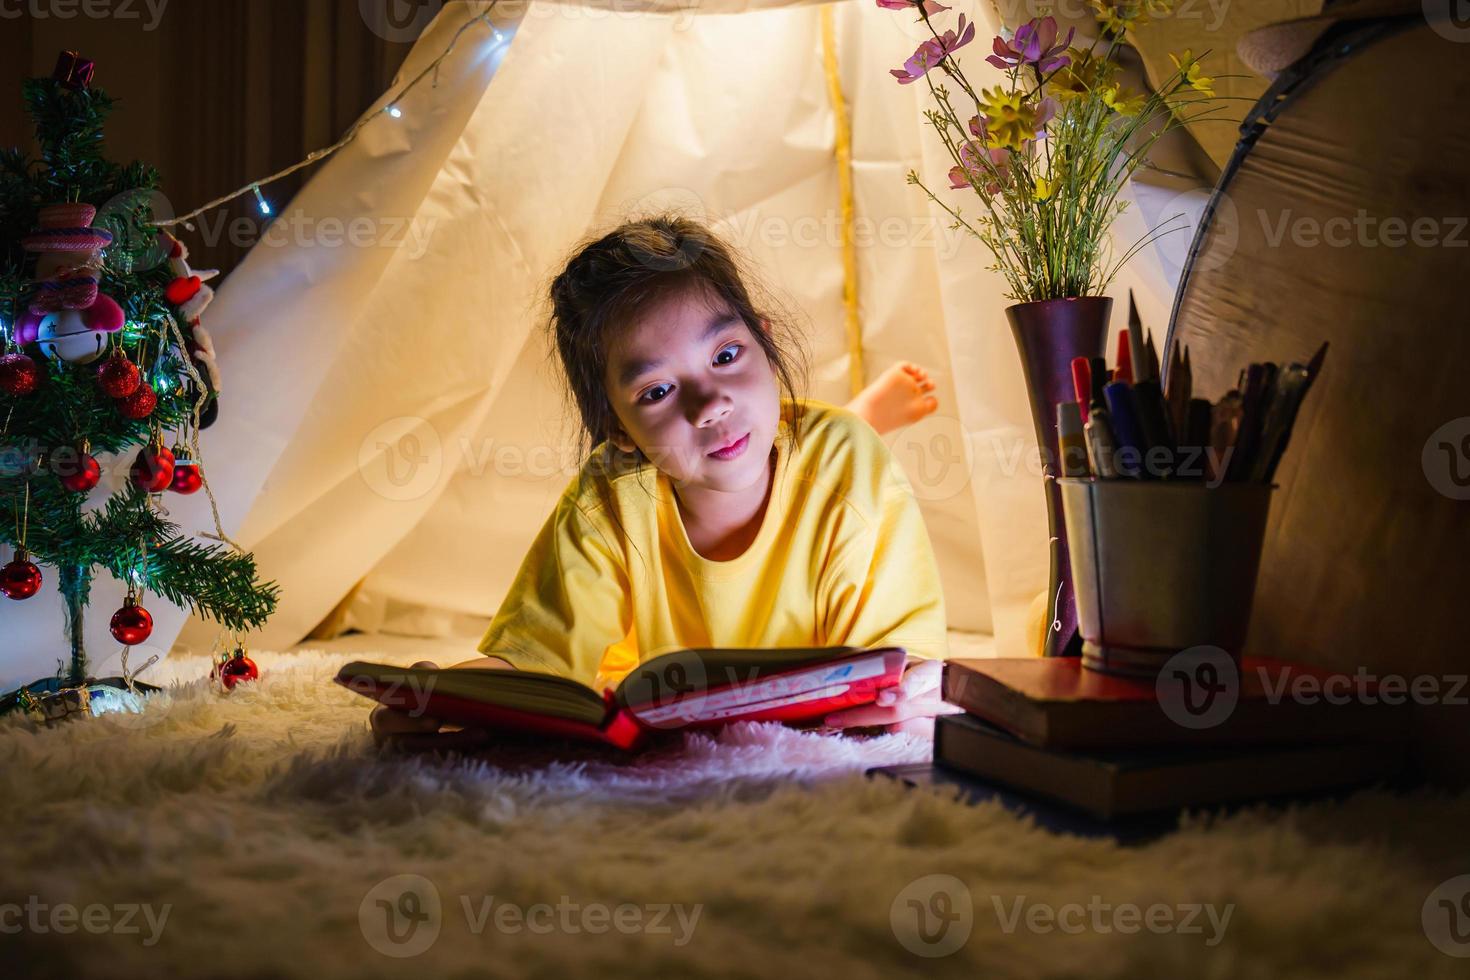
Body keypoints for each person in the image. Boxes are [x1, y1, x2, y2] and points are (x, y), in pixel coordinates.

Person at [372, 215, 963, 749]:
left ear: (765, 339)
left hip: (822, 482)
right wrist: (439, 695)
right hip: (662, 693)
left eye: (727, 354)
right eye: (656, 392)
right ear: (618, 430)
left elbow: (905, 660)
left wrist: (902, 696)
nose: (709, 404)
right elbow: (535, 663)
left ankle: (862, 409)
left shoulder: (851, 464)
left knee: (828, 448)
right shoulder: (610, 492)